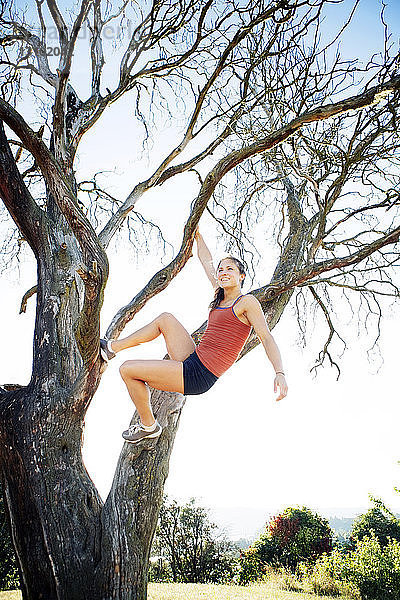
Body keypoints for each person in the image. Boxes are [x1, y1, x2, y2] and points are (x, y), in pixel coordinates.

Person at [100, 228, 288, 444]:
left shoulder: (247, 302)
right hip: (194, 358)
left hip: (200, 375)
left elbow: (266, 337)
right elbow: (206, 260)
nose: (223, 272)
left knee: (128, 370)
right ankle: (112, 348)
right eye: (221, 269)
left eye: (230, 269)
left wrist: (279, 372)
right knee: (166, 319)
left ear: (241, 276)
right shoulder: (220, 296)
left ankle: (148, 426)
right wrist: (197, 234)